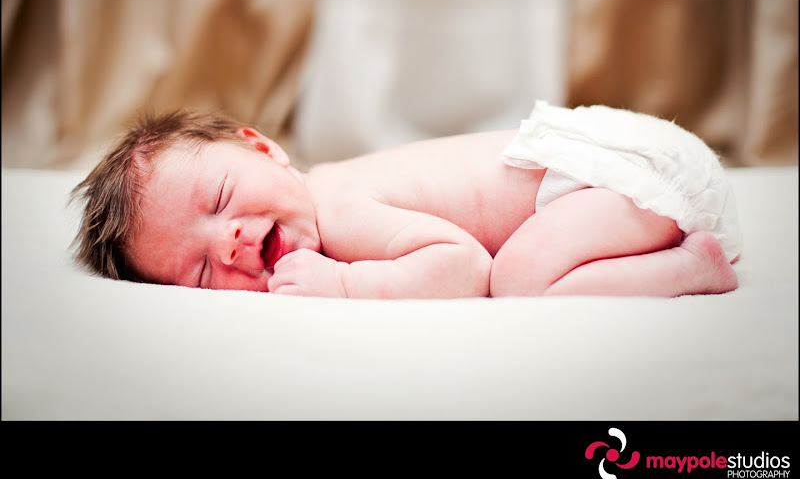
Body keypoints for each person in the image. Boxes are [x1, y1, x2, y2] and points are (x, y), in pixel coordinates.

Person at [70, 101, 741, 298]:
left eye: (220, 196)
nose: (229, 242)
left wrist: (345, 286)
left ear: (265, 147)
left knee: (517, 278)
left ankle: (689, 268)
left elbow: (463, 264)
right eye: (200, 272)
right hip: (628, 162)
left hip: (625, 179)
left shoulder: (339, 211)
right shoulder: (330, 183)